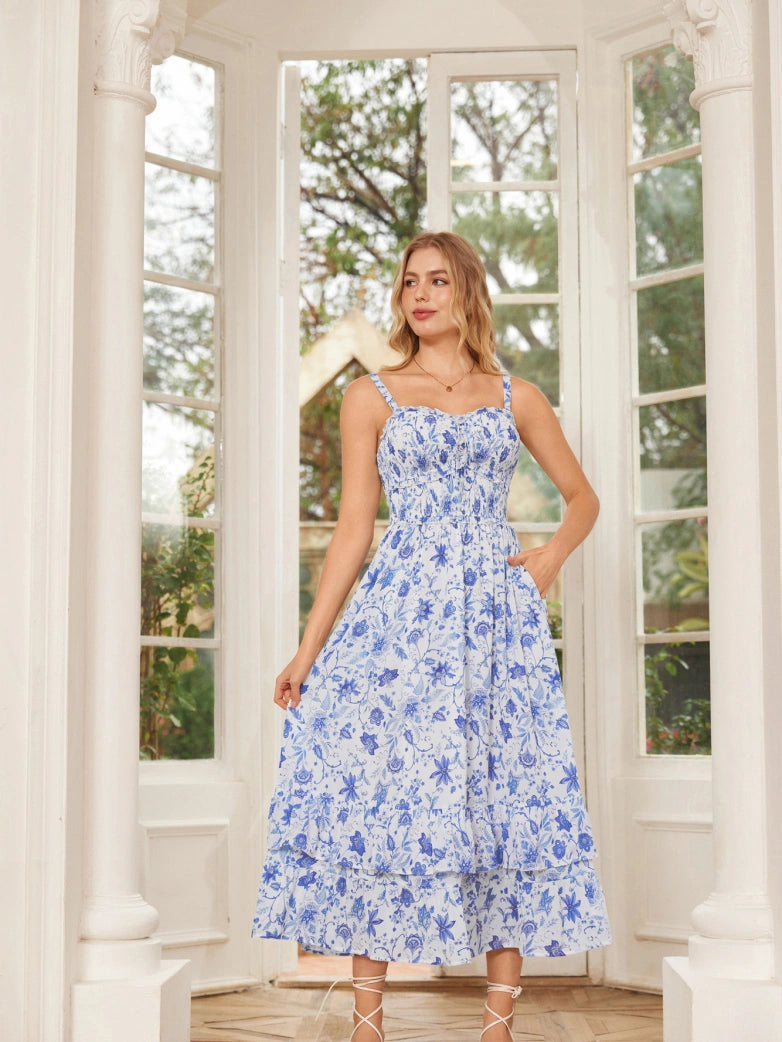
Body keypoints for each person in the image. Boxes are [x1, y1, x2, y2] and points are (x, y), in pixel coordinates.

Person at [252, 231, 612, 1041]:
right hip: (400, 619)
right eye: (410, 281)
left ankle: (498, 1024)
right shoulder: (372, 396)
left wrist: (549, 558)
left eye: (438, 281)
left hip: (495, 620)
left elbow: (583, 497)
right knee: (384, 792)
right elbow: (354, 530)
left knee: (504, 791)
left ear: (467, 291)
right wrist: (308, 650)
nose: (419, 294)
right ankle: (368, 1021)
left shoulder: (515, 396)